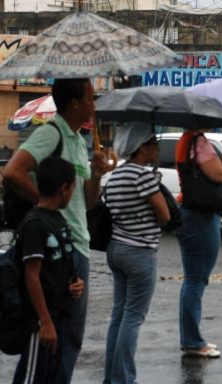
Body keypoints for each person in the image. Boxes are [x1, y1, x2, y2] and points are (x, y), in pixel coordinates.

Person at [3, 78, 108, 383]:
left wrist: (97, 174)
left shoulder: (77, 140)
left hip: (77, 244)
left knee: (69, 337)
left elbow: (87, 202)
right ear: (74, 103)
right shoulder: (52, 133)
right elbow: (12, 172)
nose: (94, 105)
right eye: (90, 98)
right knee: (52, 337)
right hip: (58, 248)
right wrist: (45, 206)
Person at [103, 122, 170, 384]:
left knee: (119, 315)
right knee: (133, 317)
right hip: (139, 251)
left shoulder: (116, 175)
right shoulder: (142, 176)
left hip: (116, 248)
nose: (156, 148)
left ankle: (111, 378)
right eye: (153, 144)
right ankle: (124, 380)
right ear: (142, 148)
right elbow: (164, 216)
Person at [13, 157, 85, 383]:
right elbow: (31, 275)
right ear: (63, 189)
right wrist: (44, 322)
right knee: (32, 375)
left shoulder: (58, 219)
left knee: (50, 375)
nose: (72, 193)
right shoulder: (35, 224)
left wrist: (75, 284)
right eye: (73, 188)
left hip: (59, 314)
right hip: (41, 321)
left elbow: (58, 266)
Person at [175, 130, 222, 358]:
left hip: (193, 214)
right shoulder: (199, 142)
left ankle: (191, 338)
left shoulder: (187, 140)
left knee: (194, 279)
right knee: (196, 279)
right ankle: (192, 341)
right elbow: (219, 174)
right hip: (200, 216)